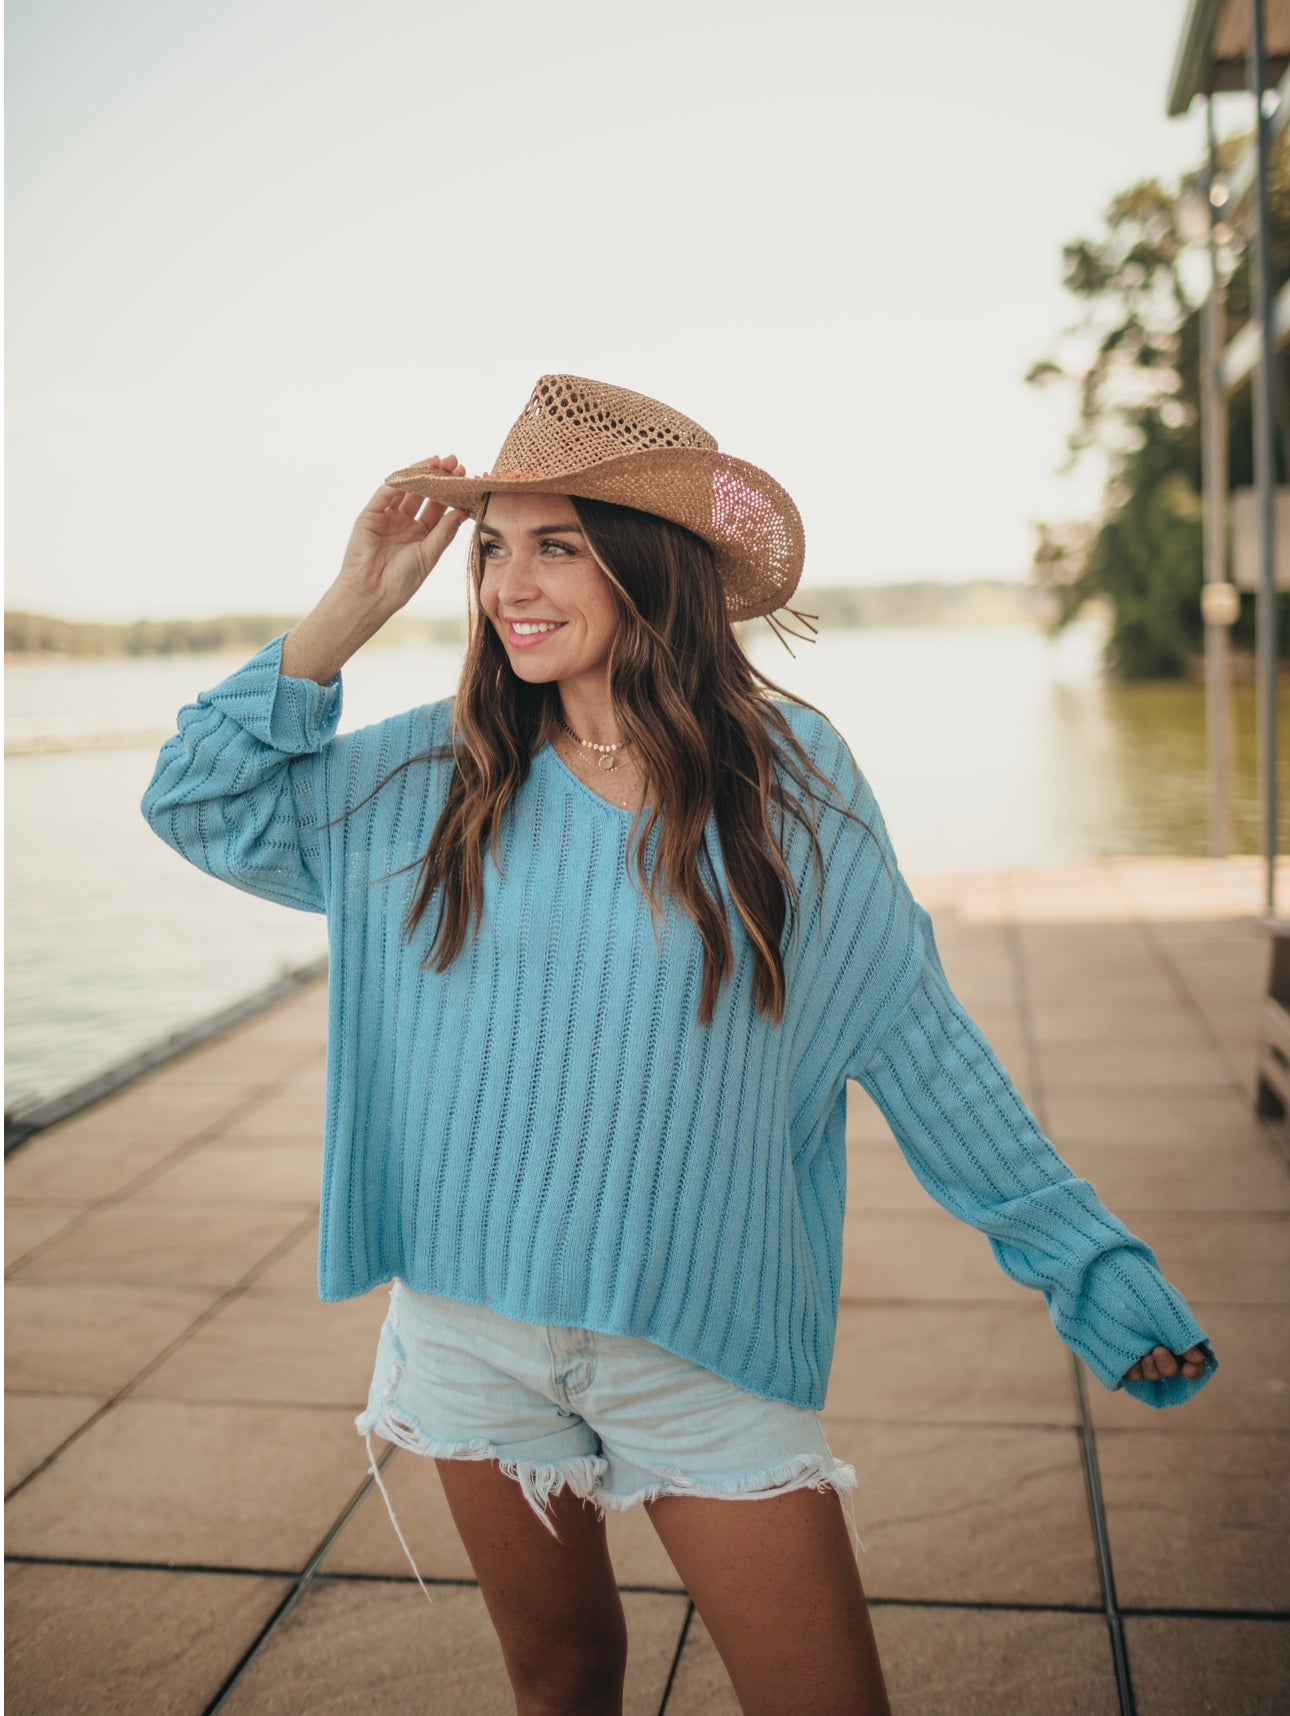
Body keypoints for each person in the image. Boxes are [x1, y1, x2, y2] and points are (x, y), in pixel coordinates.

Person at [141, 374, 1216, 1716]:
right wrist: (352, 604)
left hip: (700, 1345)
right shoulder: (429, 776)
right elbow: (195, 803)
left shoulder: (789, 782)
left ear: (652, 568)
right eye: (491, 547)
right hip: (468, 1338)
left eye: (558, 544)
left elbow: (915, 1035)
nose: (507, 587)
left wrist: (1083, 1260)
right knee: (565, 1679)